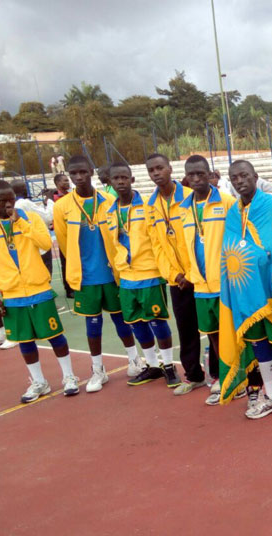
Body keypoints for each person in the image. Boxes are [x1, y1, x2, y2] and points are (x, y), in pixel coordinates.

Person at [0, 180, 78, 403]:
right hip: (11, 294)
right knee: (25, 340)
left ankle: (69, 377)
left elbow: (45, 244)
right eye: (3, 201)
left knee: (55, 335)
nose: (9, 204)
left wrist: (21, 224)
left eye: (11, 199)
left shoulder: (29, 218)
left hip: (38, 288)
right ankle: (39, 381)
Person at [52, 156, 149, 393]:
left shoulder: (108, 200)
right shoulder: (61, 206)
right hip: (85, 277)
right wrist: (78, 267)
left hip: (112, 273)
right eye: (73, 173)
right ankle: (98, 369)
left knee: (122, 320)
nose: (78, 177)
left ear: (91, 172)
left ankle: (134, 360)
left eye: (82, 172)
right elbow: (64, 244)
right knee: (92, 325)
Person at [218, 160, 272, 419]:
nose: (239, 181)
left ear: (256, 177)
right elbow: (229, 247)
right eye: (234, 178)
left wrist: (266, 257)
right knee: (258, 344)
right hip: (245, 292)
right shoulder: (233, 213)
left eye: (244, 175)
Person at [105, 162, 180, 391]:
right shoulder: (110, 212)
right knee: (136, 323)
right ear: (110, 182)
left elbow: (158, 241)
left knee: (157, 321)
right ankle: (153, 365)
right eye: (115, 178)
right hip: (126, 277)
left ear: (132, 180)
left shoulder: (147, 207)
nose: (120, 182)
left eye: (124, 177)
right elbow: (114, 244)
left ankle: (169, 365)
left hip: (149, 273)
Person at [177, 156, 236, 404]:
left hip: (225, 282)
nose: (197, 179)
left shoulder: (227, 202)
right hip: (201, 286)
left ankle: (237, 379)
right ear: (186, 178)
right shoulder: (183, 208)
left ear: (210, 174)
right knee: (213, 335)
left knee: (232, 334)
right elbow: (188, 245)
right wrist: (189, 274)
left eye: (201, 174)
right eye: (192, 175)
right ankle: (224, 377)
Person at [145, 153, 205, 392]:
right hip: (178, 281)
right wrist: (176, 275)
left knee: (213, 327)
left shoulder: (191, 197)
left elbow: (199, 239)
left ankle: (225, 375)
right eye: (151, 170)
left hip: (200, 276)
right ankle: (194, 375)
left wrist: (191, 273)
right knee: (186, 329)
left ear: (170, 169)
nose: (156, 173)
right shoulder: (151, 206)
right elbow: (156, 245)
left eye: (160, 168)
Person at [11, 180, 54, 274]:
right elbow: (48, 217)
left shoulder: (14, 204)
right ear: (24, 189)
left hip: (26, 246)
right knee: (46, 275)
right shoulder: (24, 203)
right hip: (40, 245)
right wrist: (50, 200)